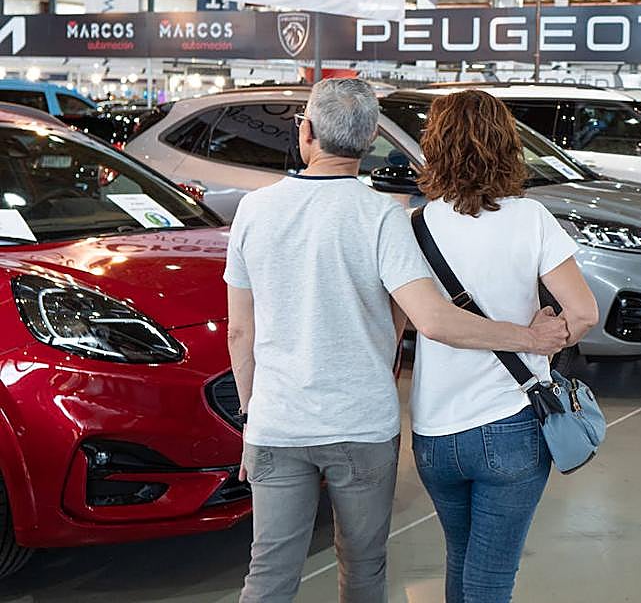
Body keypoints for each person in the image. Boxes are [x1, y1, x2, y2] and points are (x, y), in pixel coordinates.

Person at [224, 79, 569, 603]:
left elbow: (240, 331)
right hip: (361, 425)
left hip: (276, 424)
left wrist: (251, 417)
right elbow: (429, 319)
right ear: (367, 143)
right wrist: (531, 336)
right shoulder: (383, 216)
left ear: (307, 133)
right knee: (363, 569)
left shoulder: (254, 209)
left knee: (269, 574)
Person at [409, 90, 600, 603]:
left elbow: (412, 323)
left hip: (433, 431)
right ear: (506, 144)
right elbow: (583, 313)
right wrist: (542, 342)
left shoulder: (415, 226)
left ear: (435, 145)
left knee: (460, 558)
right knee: (491, 579)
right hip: (512, 423)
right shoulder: (531, 217)